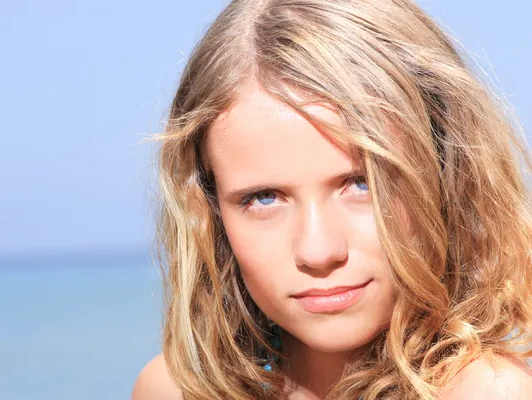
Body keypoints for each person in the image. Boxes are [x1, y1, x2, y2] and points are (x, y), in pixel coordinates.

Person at [133, 0, 532, 398]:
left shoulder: (487, 391)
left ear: (446, 174)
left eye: (363, 185)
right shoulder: (173, 390)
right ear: (212, 210)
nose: (318, 250)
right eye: (264, 198)